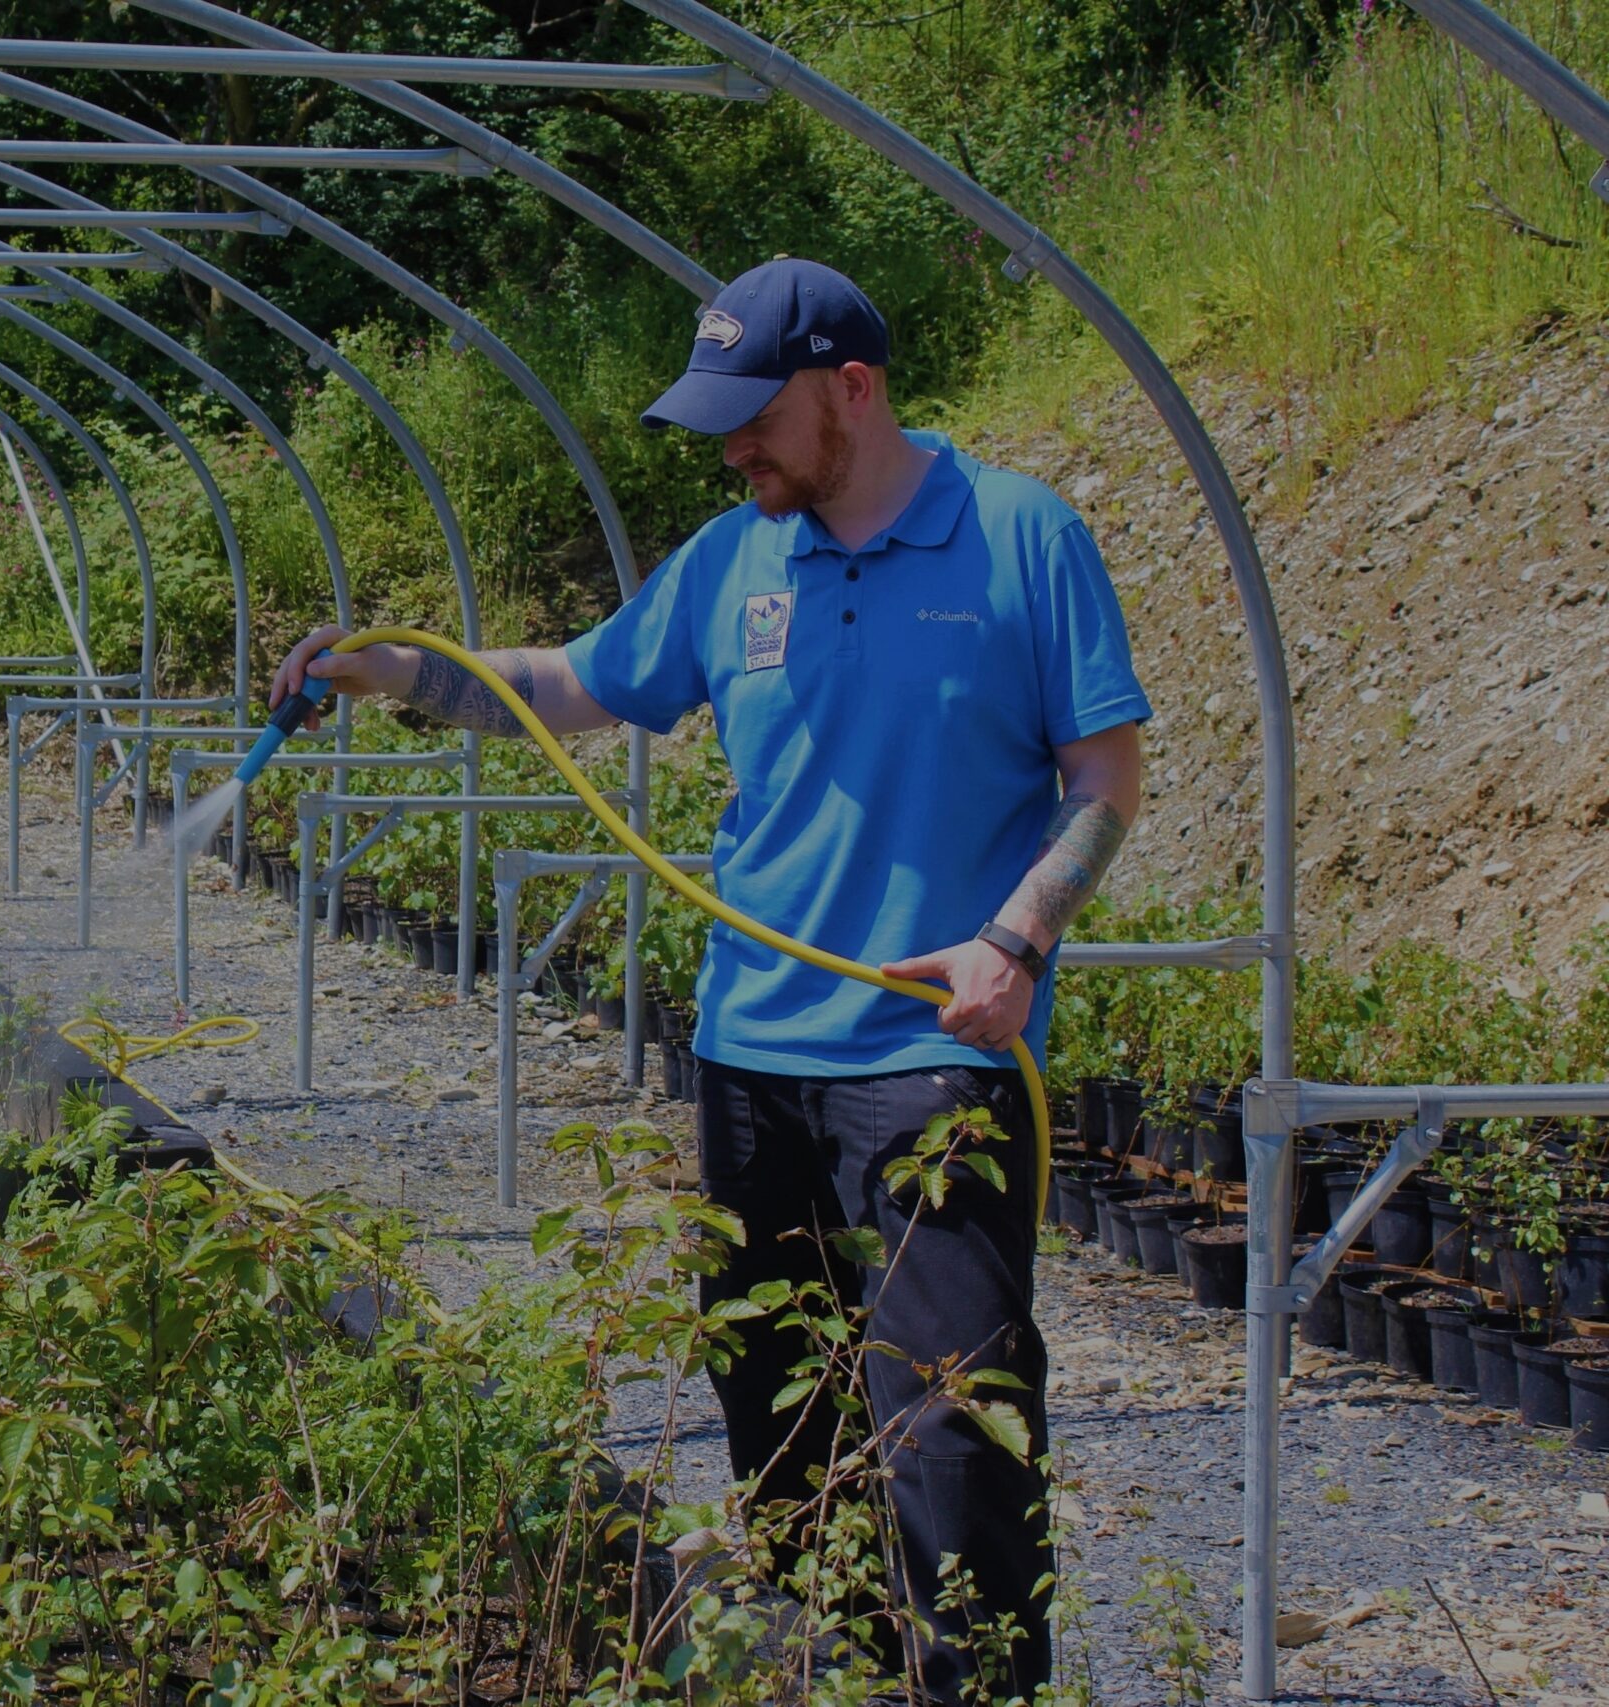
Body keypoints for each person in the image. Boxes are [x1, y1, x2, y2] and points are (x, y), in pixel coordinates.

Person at [265, 257, 1148, 1699]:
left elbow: (1104, 776)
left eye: (755, 416)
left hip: (933, 1056)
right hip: (749, 1059)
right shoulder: (737, 560)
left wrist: (1019, 938)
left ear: (849, 386)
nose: (732, 446)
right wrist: (390, 674)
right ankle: (825, 1676)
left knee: (950, 1419)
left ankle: (975, 1685)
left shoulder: (1018, 538)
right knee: (778, 1421)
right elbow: (576, 686)